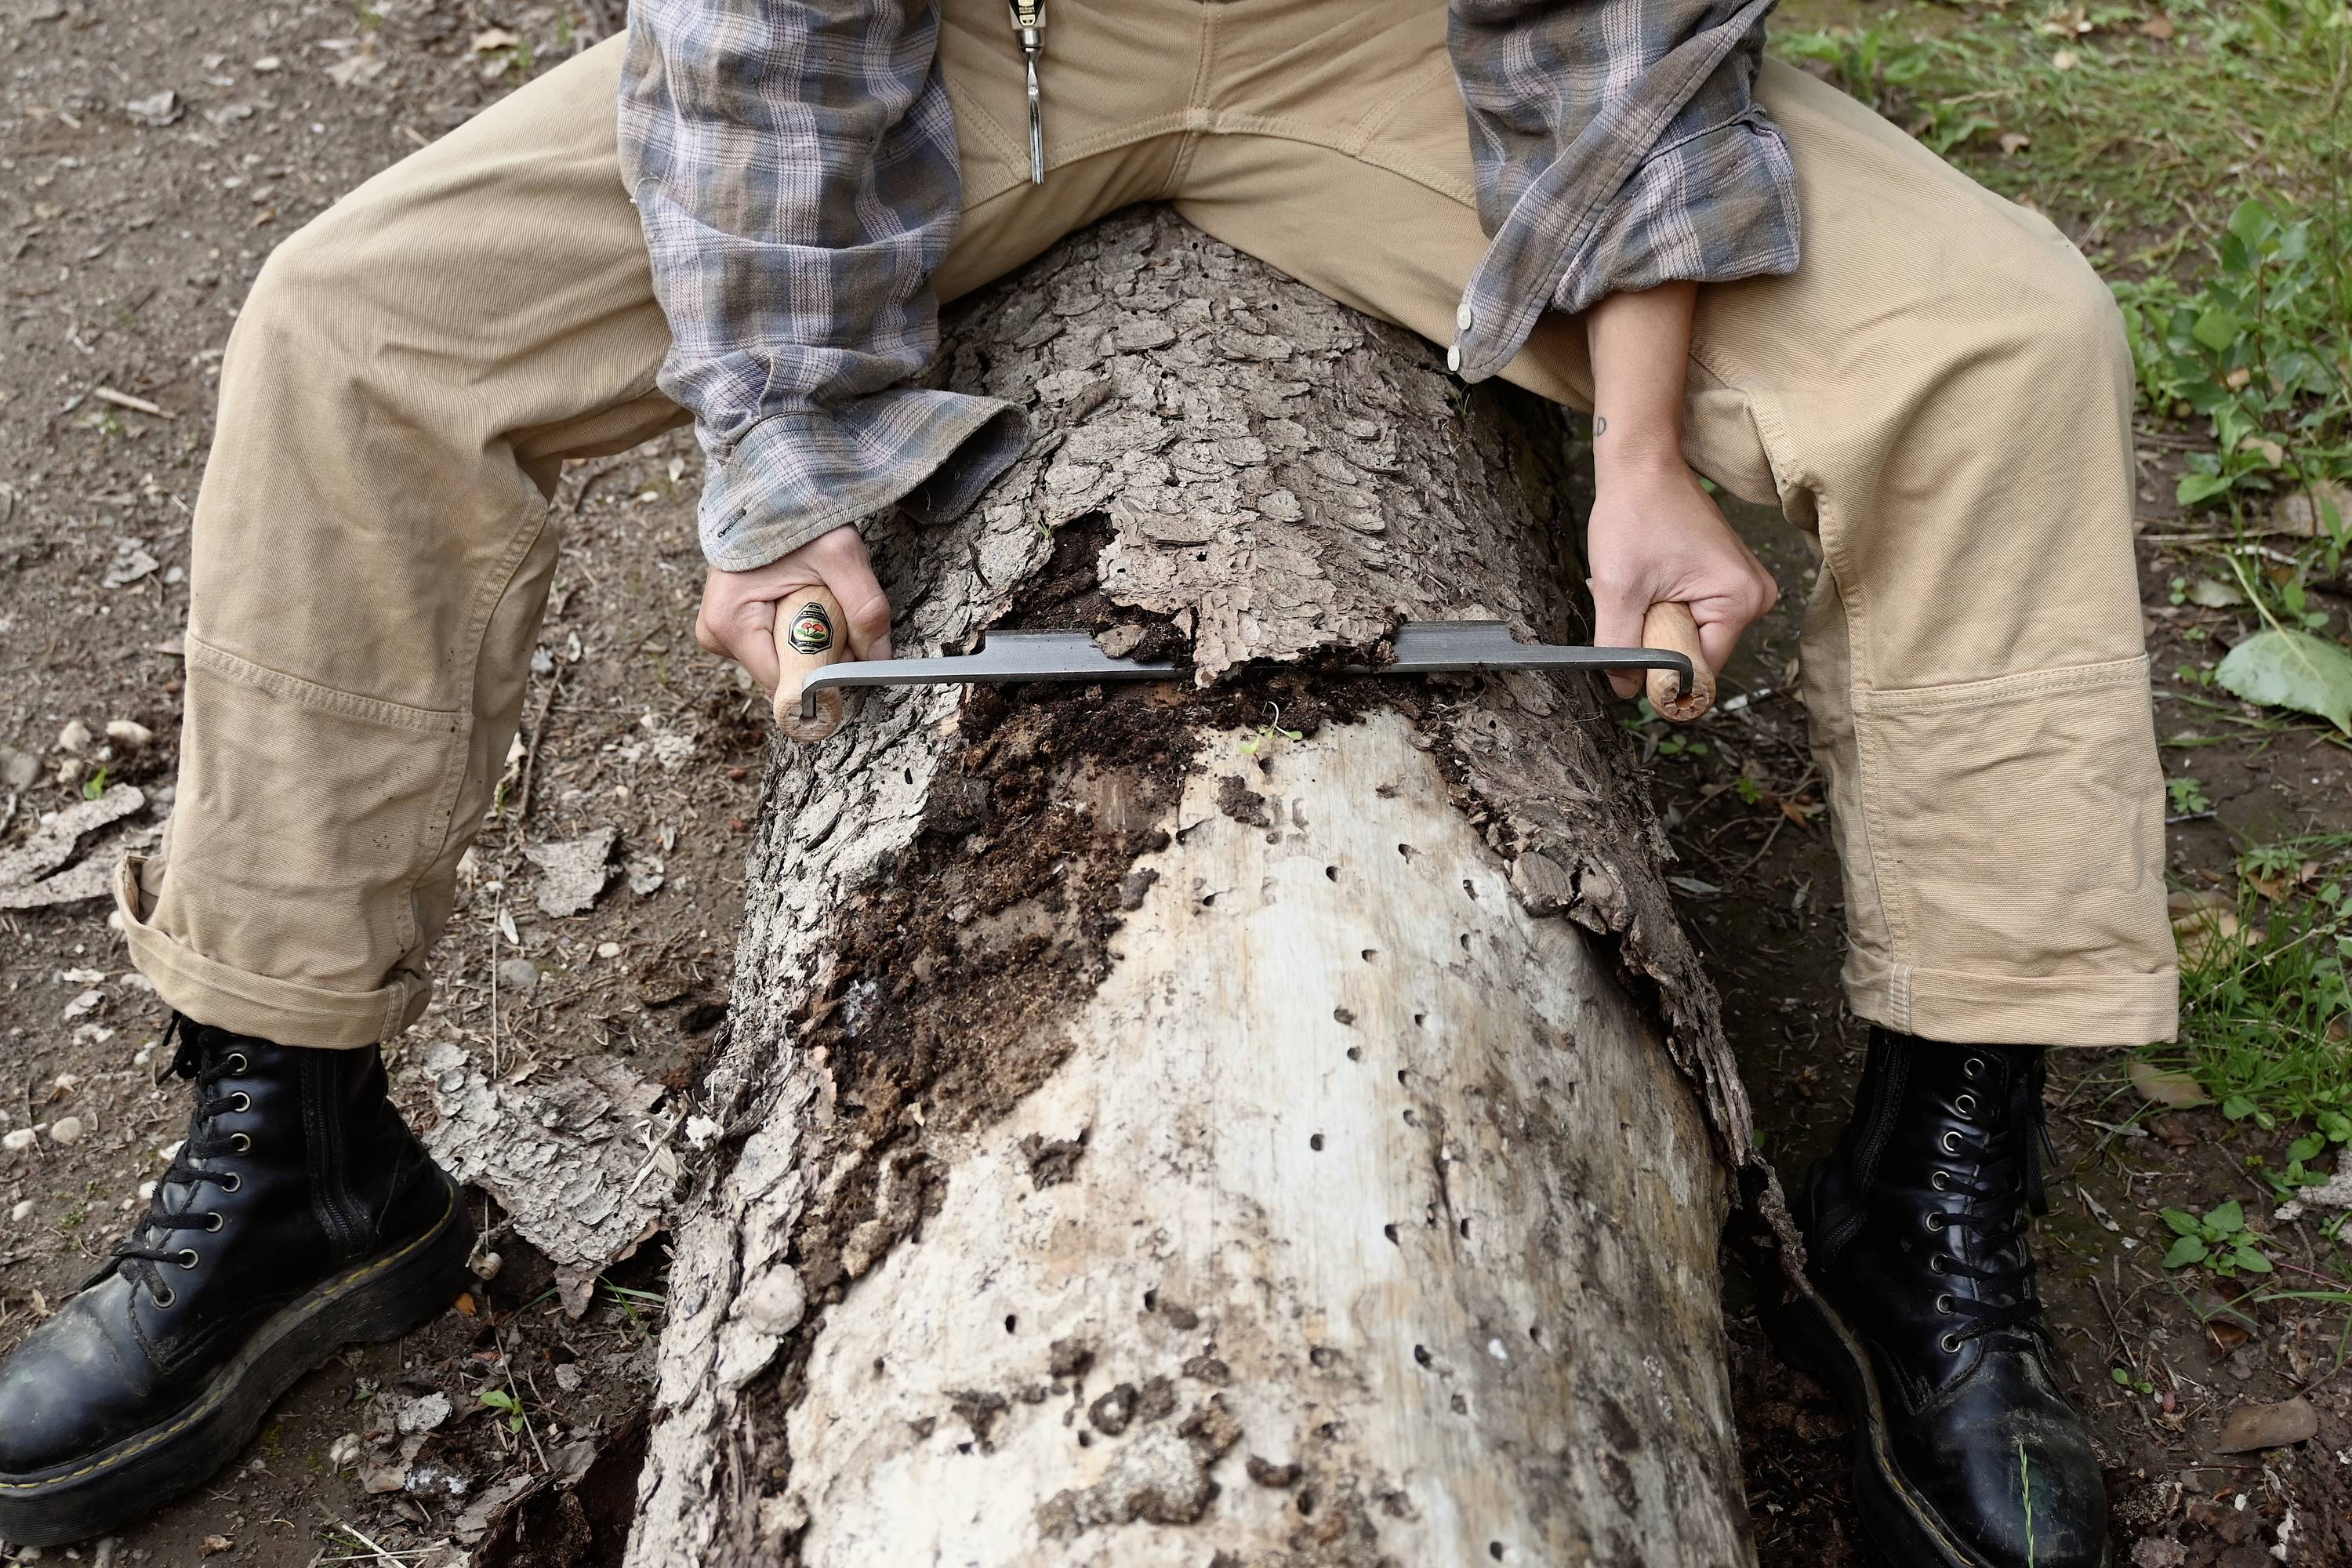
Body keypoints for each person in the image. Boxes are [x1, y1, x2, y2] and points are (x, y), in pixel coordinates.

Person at [0, 0, 2173, 1561]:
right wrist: (783, 460)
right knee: (354, 324)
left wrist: (1632, 455)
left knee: (2004, 349)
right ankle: (294, 1143)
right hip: (959, 48)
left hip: (1390, 51)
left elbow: (1607, 28)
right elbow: (761, 45)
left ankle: (1937, 1175)